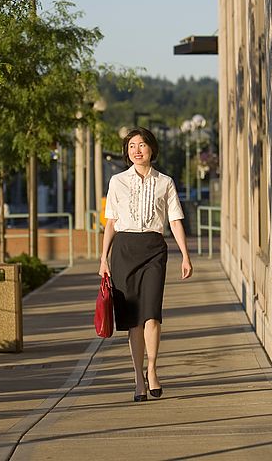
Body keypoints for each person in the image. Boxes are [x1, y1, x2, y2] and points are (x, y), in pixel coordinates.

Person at [99, 127, 193, 402]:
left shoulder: (165, 182)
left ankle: (152, 369)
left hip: (154, 250)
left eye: (141, 145)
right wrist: (103, 258)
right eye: (131, 146)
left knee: (152, 314)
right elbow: (111, 222)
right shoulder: (117, 181)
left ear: (152, 149)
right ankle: (138, 377)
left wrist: (185, 255)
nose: (137, 150)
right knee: (133, 322)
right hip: (124, 251)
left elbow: (175, 219)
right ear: (127, 152)